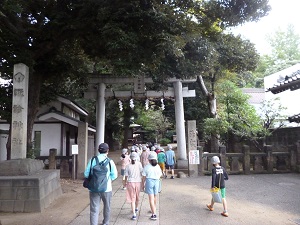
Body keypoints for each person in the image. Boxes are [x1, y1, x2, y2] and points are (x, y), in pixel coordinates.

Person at [84, 143, 118, 225]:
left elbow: (86, 174)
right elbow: (115, 175)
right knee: (107, 207)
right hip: (107, 188)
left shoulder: (92, 160)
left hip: (93, 188)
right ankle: (105, 223)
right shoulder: (110, 162)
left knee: (94, 208)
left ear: (98, 150)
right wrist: (107, 180)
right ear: (108, 150)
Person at [142, 151, 162, 220]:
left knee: (151, 198)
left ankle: (154, 214)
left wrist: (142, 184)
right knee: (155, 196)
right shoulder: (158, 166)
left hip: (149, 181)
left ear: (149, 160)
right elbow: (160, 175)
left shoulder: (147, 167)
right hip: (157, 181)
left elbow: (144, 176)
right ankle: (153, 209)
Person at [124, 152, 143, 220]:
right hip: (138, 182)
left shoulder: (128, 165)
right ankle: (136, 208)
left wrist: (125, 183)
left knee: (132, 198)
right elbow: (142, 172)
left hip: (130, 182)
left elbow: (126, 175)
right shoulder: (139, 164)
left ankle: (134, 214)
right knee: (137, 196)